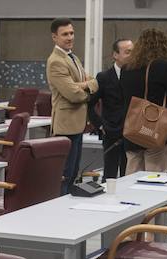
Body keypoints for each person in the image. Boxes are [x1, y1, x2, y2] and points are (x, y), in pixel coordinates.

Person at [119, 27, 167, 174]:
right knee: (155, 178)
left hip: (132, 130)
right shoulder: (161, 66)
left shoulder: (126, 68)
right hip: (155, 130)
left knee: (131, 178)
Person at [45, 17, 98, 193]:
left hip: (77, 124)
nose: (70, 37)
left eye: (72, 33)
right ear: (55, 37)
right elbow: (73, 94)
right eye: (65, 34)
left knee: (73, 172)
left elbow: (94, 81)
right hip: (65, 126)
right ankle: (59, 211)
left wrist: (83, 85)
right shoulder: (56, 61)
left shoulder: (72, 57)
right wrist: (87, 91)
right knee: (65, 175)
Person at [89, 37, 132, 180]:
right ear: (115, 55)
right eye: (127, 52)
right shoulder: (103, 77)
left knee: (129, 174)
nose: (131, 55)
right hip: (111, 132)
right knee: (110, 174)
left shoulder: (136, 75)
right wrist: (100, 125)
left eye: (133, 52)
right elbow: (90, 104)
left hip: (131, 133)